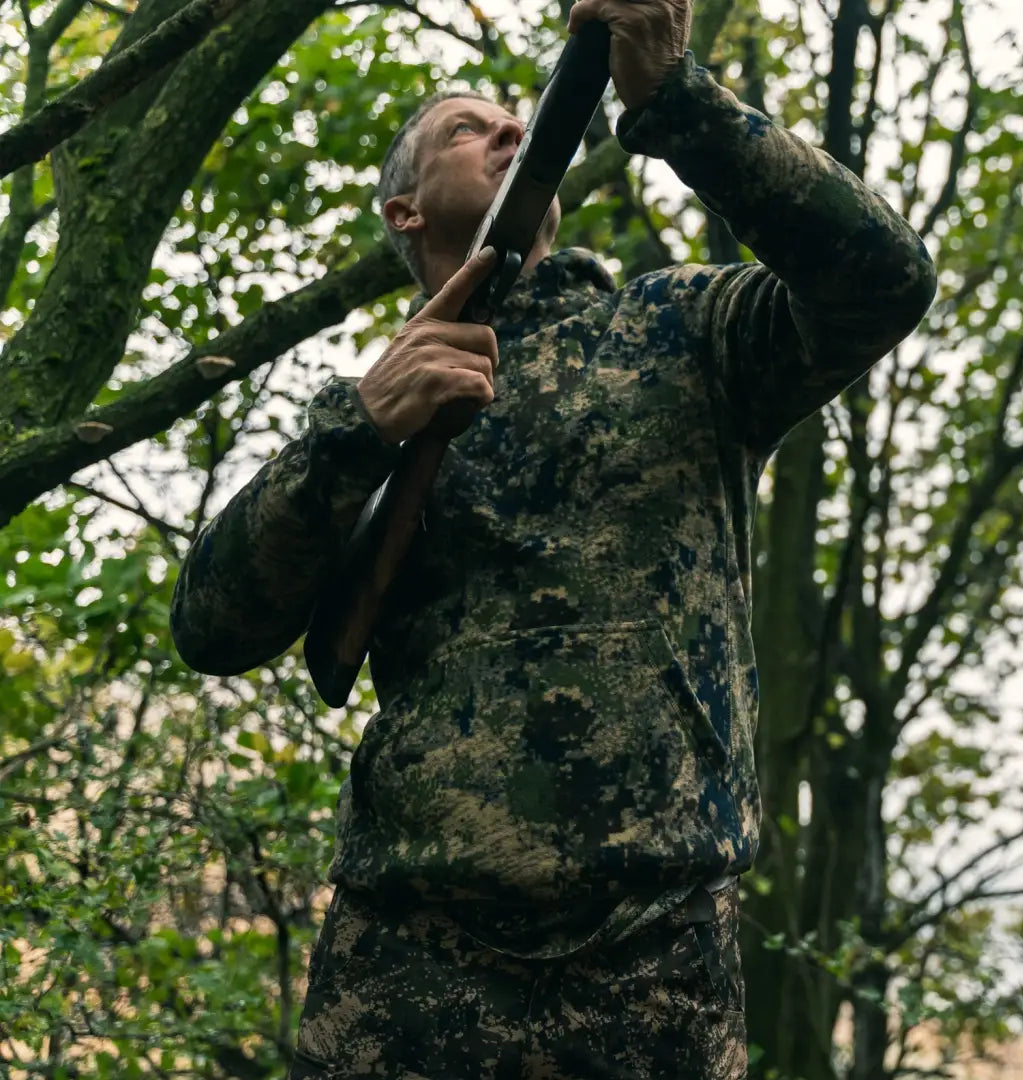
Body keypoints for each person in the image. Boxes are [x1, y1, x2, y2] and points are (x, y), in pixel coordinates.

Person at [170, 0, 936, 1075]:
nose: (509, 132)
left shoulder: (686, 331)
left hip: (656, 955)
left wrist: (680, 100)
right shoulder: (372, 420)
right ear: (403, 210)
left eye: (514, 121)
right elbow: (210, 628)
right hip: (409, 964)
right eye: (465, 128)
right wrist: (354, 427)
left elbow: (887, 279)